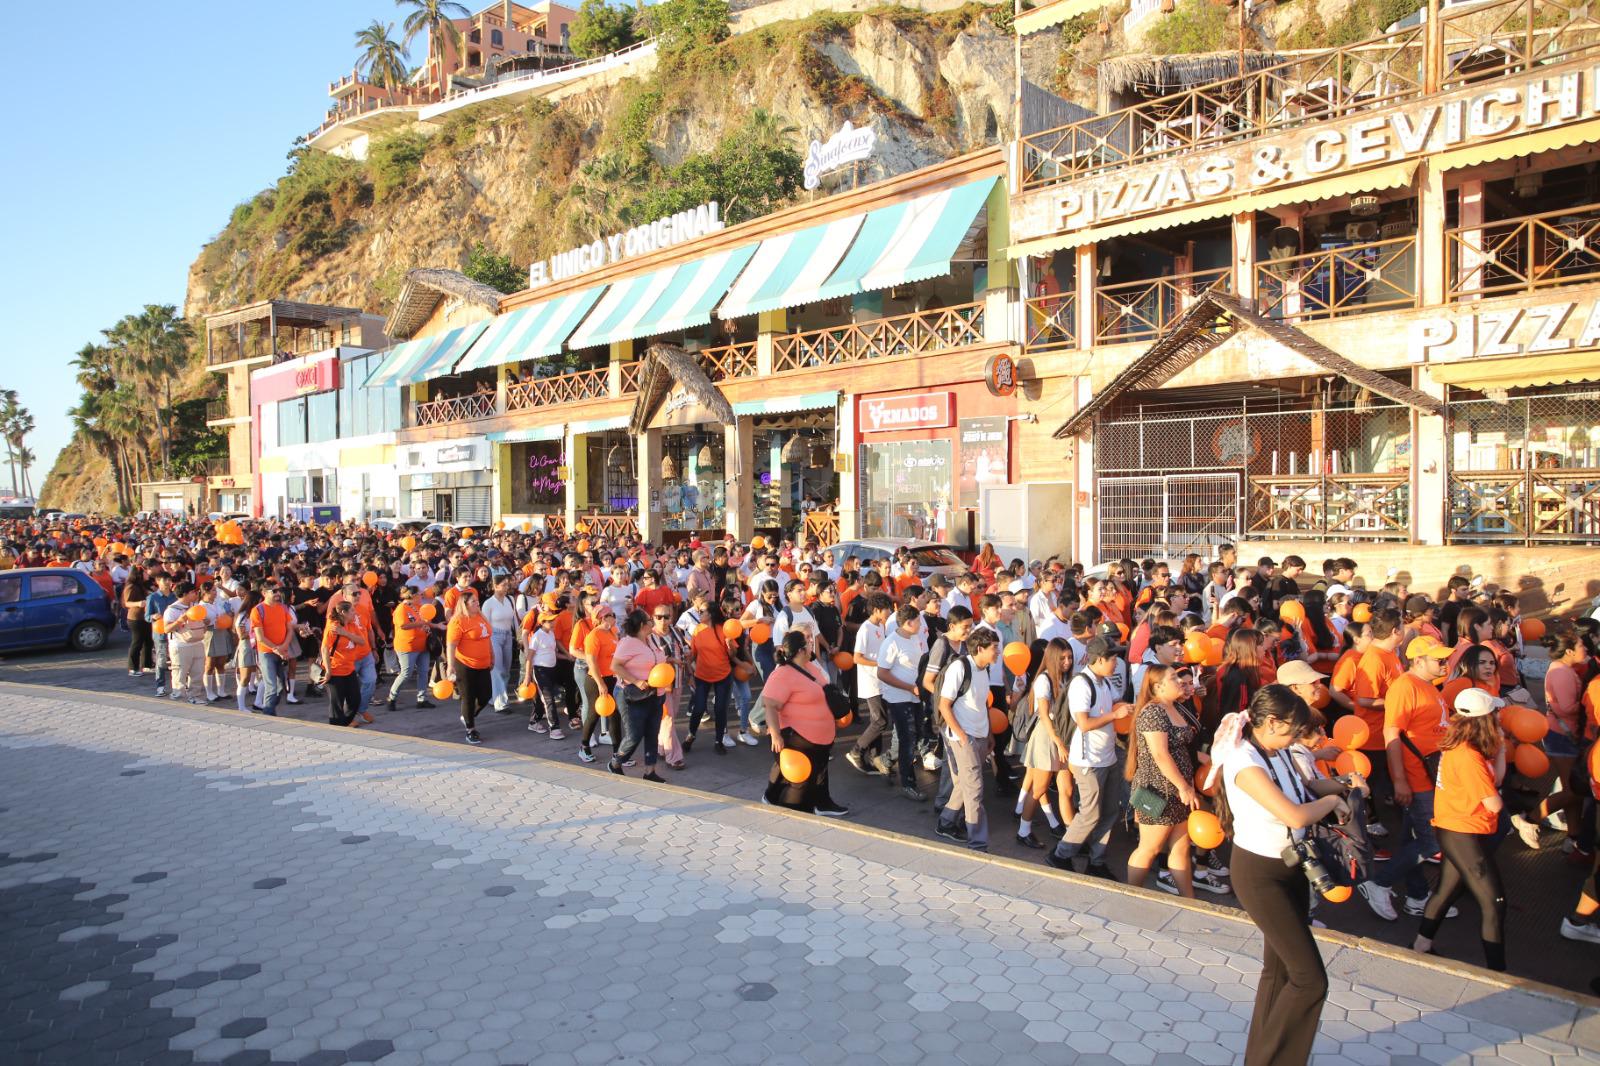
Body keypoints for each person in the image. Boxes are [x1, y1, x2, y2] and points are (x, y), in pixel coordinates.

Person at [1211, 685, 1346, 1066]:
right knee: (1310, 980)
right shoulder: (1244, 762)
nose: (1295, 740)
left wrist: (1343, 785)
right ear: (1270, 722)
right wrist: (1333, 802)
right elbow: (1295, 814)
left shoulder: (1276, 750)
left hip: (1292, 868)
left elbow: (1304, 790)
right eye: (1291, 731)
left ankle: (1260, 1056)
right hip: (1260, 874)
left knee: (1281, 971)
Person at [1358, 636, 1454, 922]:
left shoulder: (1428, 686)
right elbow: (1392, 734)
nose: (1445, 663)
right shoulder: (1405, 687)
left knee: (1415, 838)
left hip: (1430, 775)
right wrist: (1400, 779)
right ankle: (1380, 881)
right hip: (1418, 778)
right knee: (1432, 843)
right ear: (1418, 660)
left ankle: (1417, 894)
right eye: (1439, 659)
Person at [1415, 687, 1508, 971]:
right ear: (1486, 719)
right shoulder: (1468, 756)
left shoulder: (1461, 745)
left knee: (1446, 892)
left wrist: (1501, 748)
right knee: (1495, 902)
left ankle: (1420, 947)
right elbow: (1494, 803)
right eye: (1496, 712)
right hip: (1462, 833)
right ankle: (1497, 973)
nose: (1500, 716)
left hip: (1455, 829)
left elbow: (1496, 779)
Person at [1047, 636, 1133, 879]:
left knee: (1109, 813)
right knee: (1090, 813)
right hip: (1087, 760)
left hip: (1107, 757)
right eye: (1113, 658)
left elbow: (1116, 703)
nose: (1117, 663)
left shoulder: (1104, 682)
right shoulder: (1081, 684)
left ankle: (1097, 861)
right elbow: (1083, 723)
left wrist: (1128, 708)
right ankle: (1060, 854)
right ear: (1099, 659)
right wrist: (1115, 716)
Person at [1124, 665, 1204, 897]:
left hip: (1179, 790)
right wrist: (1183, 786)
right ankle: (1131, 896)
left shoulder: (1176, 707)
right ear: (1158, 687)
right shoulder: (1152, 712)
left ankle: (1188, 900)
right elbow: (1160, 754)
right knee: (1150, 848)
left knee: (1180, 847)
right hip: (1156, 790)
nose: (1179, 681)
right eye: (1173, 678)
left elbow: (1186, 747)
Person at [761, 630, 846, 816]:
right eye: (807, 642)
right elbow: (769, 705)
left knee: (820, 771)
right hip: (796, 737)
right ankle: (792, 814)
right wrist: (775, 734)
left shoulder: (810, 666)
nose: (811, 643)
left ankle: (822, 804)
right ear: (800, 650)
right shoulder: (782, 674)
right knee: (800, 781)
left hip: (820, 737)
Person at [934, 628, 1002, 851]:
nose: (998, 652)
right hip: (965, 738)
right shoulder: (960, 668)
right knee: (975, 790)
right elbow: (944, 705)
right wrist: (962, 736)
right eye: (994, 648)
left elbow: (983, 704)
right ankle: (978, 843)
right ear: (980, 649)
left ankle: (945, 822)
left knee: (966, 784)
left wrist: (989, 733)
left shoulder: (984, 669)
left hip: (980, 735)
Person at [1017, 638, 1073, 848]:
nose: (1067, 662)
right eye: (1062, 658)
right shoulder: (1044, 680)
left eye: (1069, 657)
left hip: (1062, 737)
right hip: (1047, 737)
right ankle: (1023, 831)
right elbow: (1044, 714)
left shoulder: (1065, 679)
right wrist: (1058, 742)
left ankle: (1071, 833)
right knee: (1039, 788)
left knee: (1066, 788)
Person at [608, 610, 666, 781]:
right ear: (642, 625)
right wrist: (635, 680)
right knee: (634, 735)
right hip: (632, 694)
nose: (652, 622)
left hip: (655, 693)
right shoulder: (628, 642)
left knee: (652, 732)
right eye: (649, 619)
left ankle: (650, 771)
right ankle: (616, 762)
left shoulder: (652, 638)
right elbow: (615, 666)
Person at [446, 588, 494, 745]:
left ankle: (468, 716)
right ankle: (470, 730)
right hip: (465, 664)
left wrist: (491, 655)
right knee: (468, 697)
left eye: (477, 600)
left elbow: (487, 637)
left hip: (483, 663)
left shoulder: (480, 616)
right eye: (473, 601)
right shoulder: (458, 621)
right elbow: (451, 645)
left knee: (486, 695)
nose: (477, 603)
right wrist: (450, 665)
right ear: (465, 604)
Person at [321, 600, 372, 727]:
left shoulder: (352, 625)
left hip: (349, 669)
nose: (355, 613)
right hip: (335, 671)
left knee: (355, 700)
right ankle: (336, 728)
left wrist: (346, 633)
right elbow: (324, 649)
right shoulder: (333, 627)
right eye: (352, 611)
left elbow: (362, 641)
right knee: (337, 704)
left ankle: (344, 724)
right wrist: (328, 671)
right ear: (343, 613)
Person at [386, 586, 436, 711]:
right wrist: (422, 623)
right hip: (407, 646)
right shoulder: (401, 609)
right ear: (412, 596)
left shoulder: (419, 607)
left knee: (424, 672)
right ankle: (392, 697)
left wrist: (436, 626)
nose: (422, 596)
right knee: (406, 673)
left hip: (422, 645)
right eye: (419, 594)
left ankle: (421, 699)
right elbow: (403, 625)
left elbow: (426, 621)